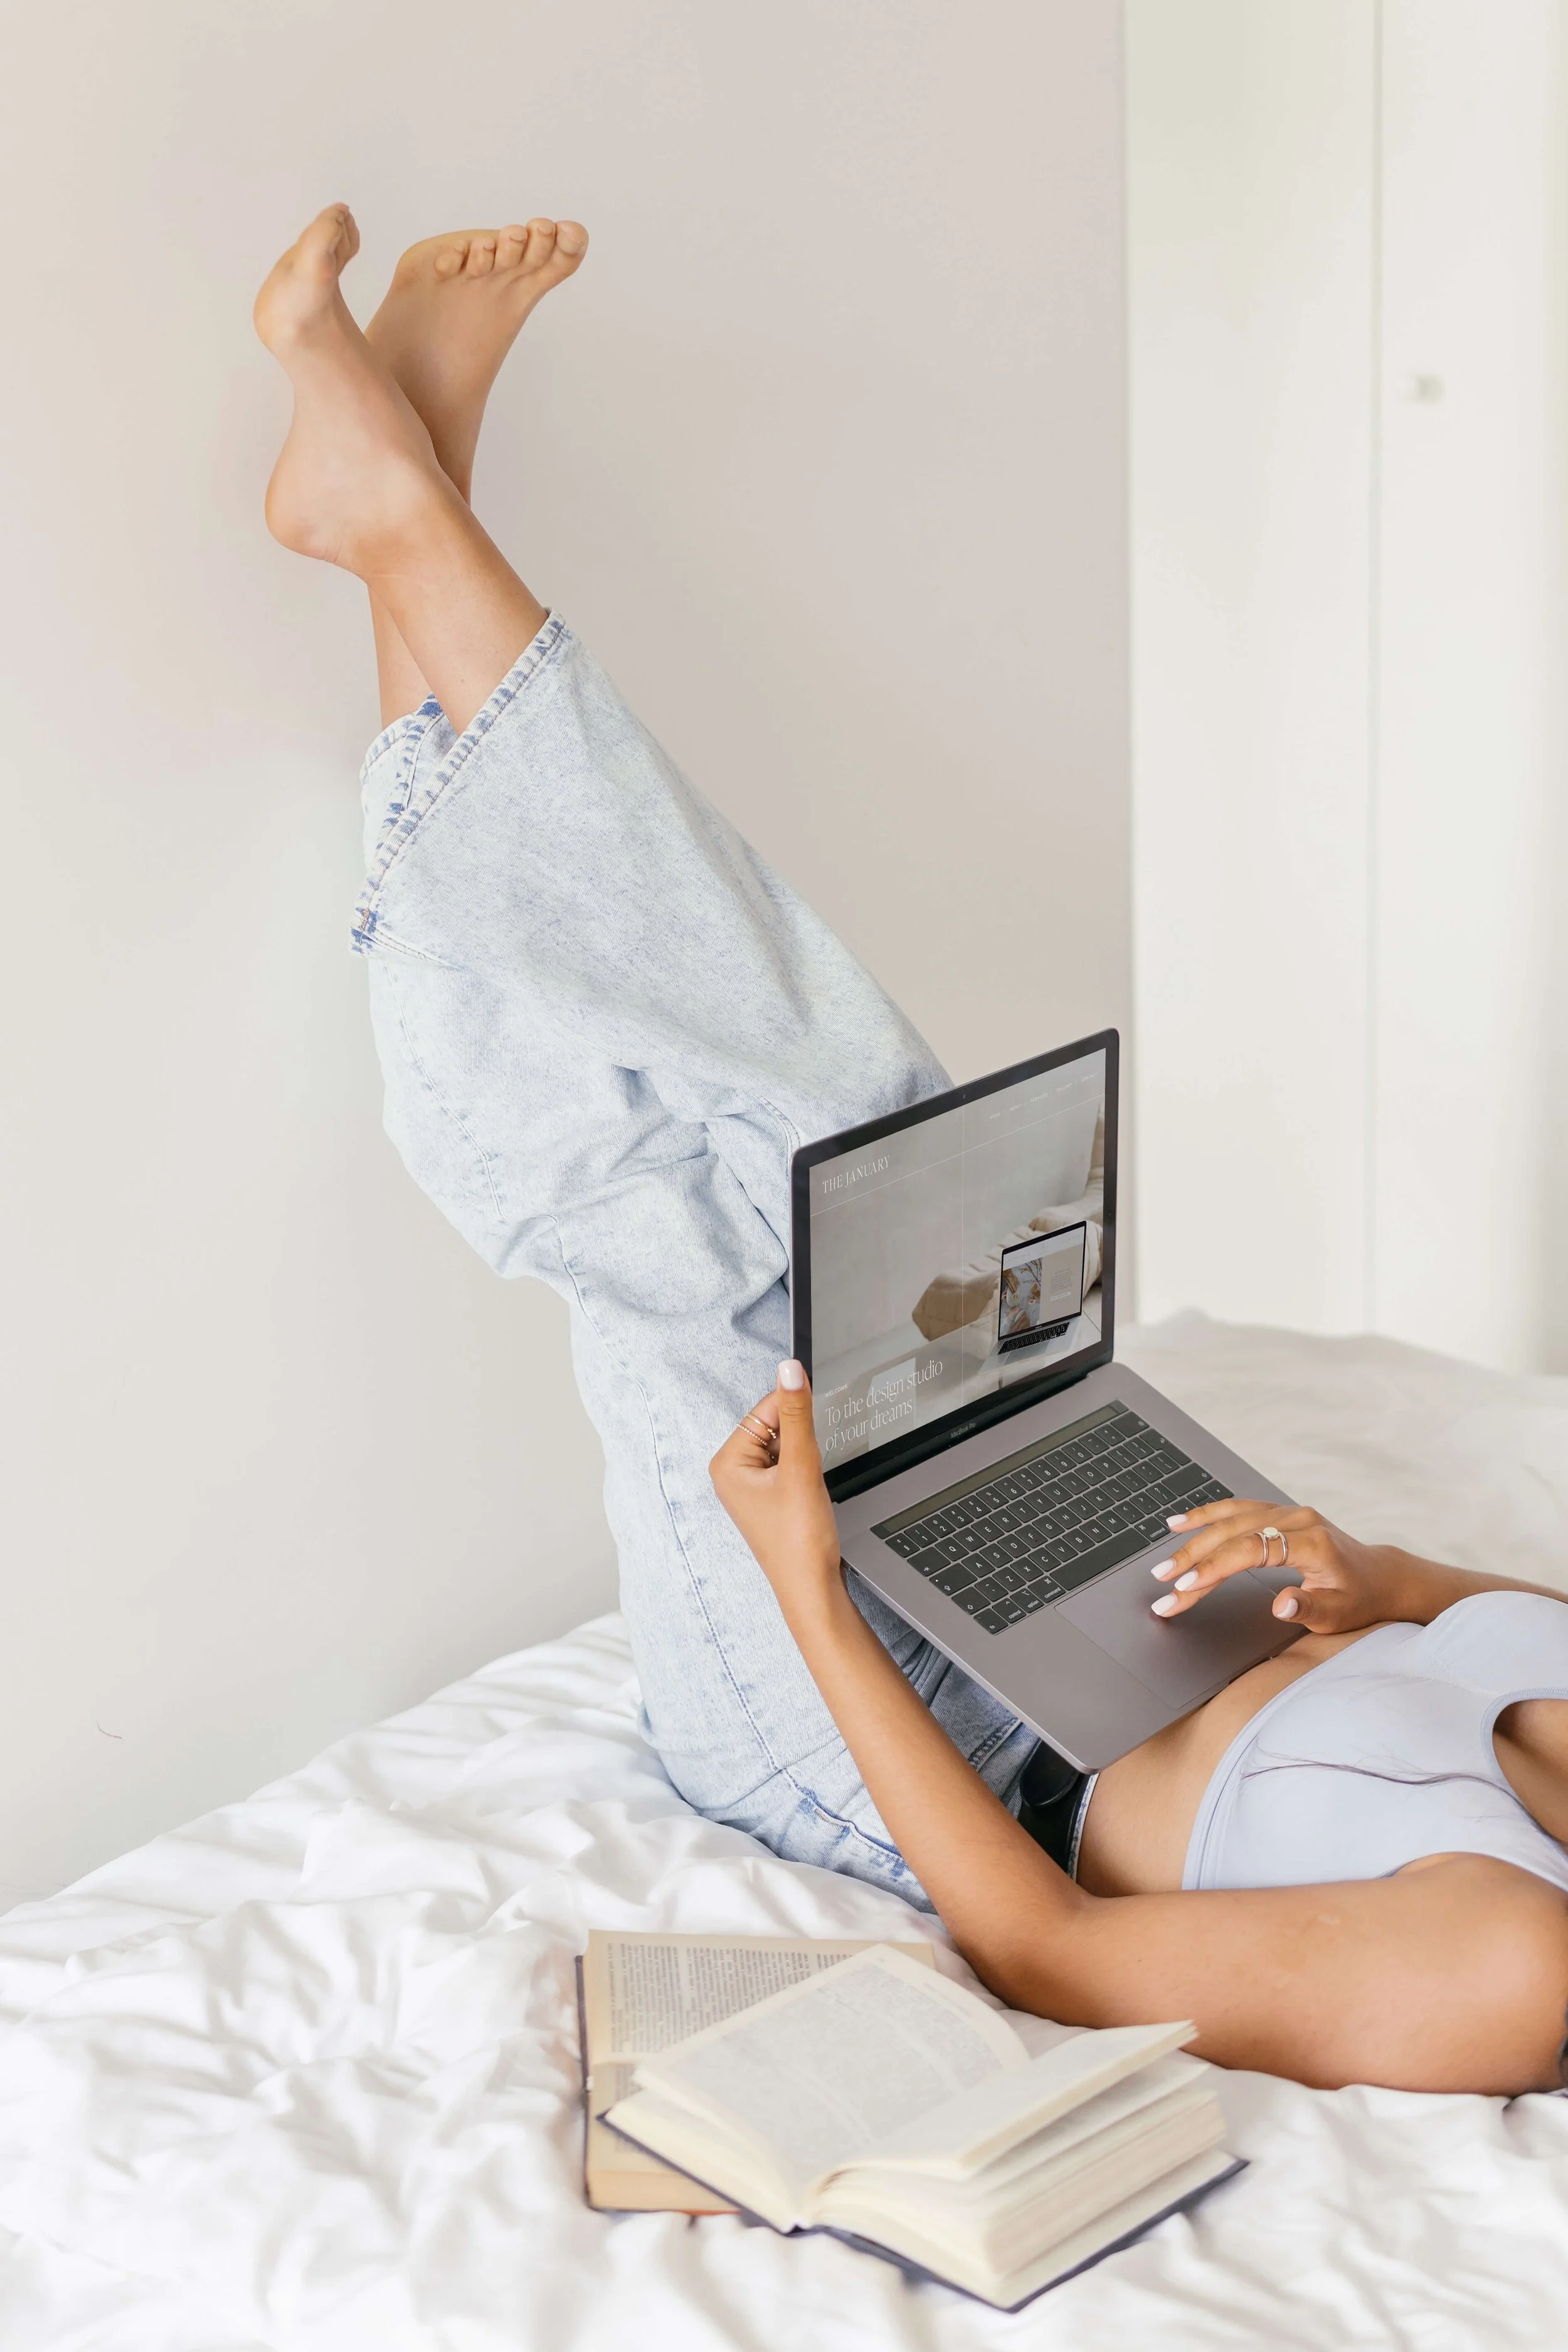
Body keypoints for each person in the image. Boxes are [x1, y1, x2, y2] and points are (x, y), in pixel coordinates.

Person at [255, 206, 1568, 2095]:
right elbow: (1442, 1607)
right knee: (851, 1131)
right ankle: (407, 503)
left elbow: (1044, 1946)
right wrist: (1346, 1561)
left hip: (914, 1734)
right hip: (1093, 1562)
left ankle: (408, 511)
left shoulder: (1512, 1968)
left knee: (648, 1215)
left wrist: (801, 1574)